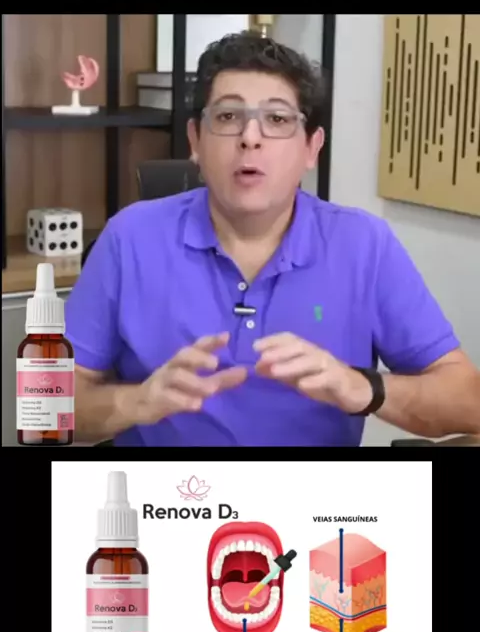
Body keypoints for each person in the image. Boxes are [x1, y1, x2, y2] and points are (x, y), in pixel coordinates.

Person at [66, 30, 480, 446]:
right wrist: (135, 402)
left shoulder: (363, 245)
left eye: (277, 119)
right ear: (195, 140)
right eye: (228, 116)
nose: (250, 137)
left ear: (311, 148)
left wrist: (363, 387)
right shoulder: (129, 238)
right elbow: (47, 405)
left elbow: (467, 400)